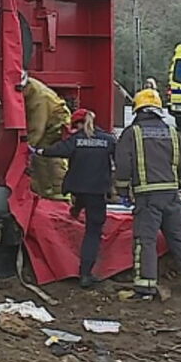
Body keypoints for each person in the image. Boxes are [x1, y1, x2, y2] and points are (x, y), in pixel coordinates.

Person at [114, 88, 181, 300]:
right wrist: (177, 183)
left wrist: (122, 190)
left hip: (147, 197)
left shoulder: (132, 133)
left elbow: (123, 164)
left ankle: (145, 287)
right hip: (171, 195)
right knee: (180, 236)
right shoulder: (171, 132)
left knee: (145, 240)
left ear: (137, 108)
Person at [34, 108, 116, 288]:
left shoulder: (75, 140)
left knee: (81, 200)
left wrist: (37, 151)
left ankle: (76, 209)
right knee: (93, 232)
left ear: (77, 124)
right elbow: (120, 159)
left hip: (78, 189)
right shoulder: (108, 140)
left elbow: (56, 150)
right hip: (97, 192)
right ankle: (86, 274)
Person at [23, 77, 71, 199]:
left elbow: (37, 128)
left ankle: (58, 195)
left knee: (47, 157)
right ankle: (46, 191)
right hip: (48, 127)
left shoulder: (39, 98)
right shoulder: (31, 91)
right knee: (40, 159)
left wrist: (24, 149)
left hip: (55, 128)